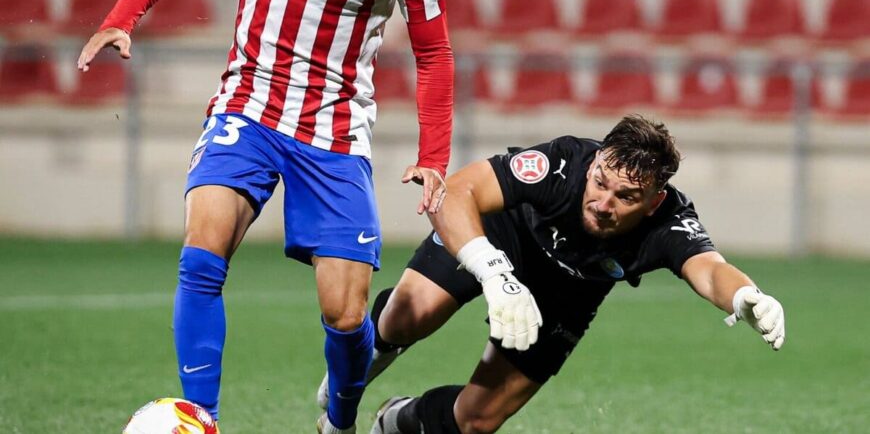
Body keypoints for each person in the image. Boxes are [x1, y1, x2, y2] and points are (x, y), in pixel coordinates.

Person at [77, 0, 455, 433]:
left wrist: (434, 157)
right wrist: (121, 18)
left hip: (333, 131)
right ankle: (201, 420)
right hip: (247, 109)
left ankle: (340, 421)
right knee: (202, 251)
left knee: (345, 314)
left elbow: (434, 53)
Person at [318, 114, 786, 433]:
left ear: (654, 202)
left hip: (567, 293)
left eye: (625, 197)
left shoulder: (669, 221)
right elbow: (454, 192)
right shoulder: (562, 164)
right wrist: (493, 272)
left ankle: (397, 419)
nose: (602, 203)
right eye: (600, 182)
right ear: (595, 161)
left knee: (477, 421)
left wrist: (746, 297)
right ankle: (367, 354)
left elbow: (710, 270)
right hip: (504, 236)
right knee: (409, 316)